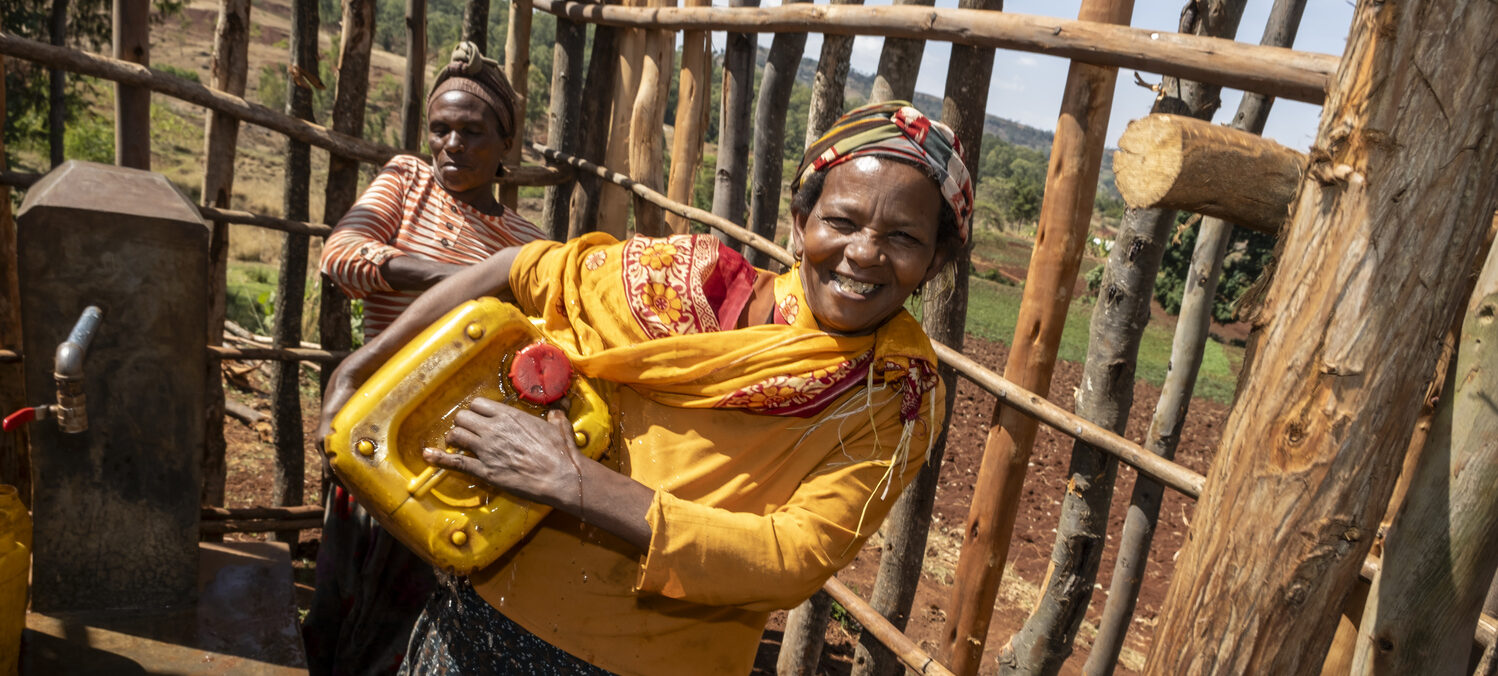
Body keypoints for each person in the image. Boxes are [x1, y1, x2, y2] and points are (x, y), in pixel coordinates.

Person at [317, 100, 974, 675]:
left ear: (934, 262)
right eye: (844, 221)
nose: (864, 253)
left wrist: (574, 483)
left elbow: (794, 557)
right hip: (482, 625)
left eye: (903, 237)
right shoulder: (683, 280)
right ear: (801, 223)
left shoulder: (892, 394)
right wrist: (357, 369)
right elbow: (519, 266)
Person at [306, 41, 545, 676]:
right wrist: (460, 279)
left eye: (471, 131)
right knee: (343, 594)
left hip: (459, 451)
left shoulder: (528, 244)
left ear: (506, 146)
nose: (451, 145)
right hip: (374, 425)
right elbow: (342, 254)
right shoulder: (408, 181)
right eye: (440, 129)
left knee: (419, 613)